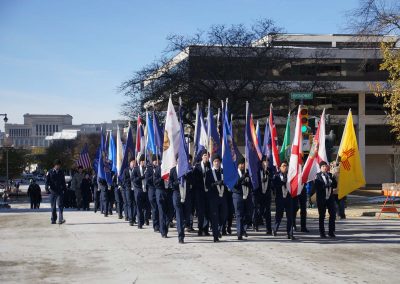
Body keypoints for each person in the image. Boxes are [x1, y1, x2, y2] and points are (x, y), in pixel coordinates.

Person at [205, 154, 228, 242]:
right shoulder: (209, 172)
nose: (216, 163)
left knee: (224, 215)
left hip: (223, 197)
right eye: (215, 161)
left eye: (218, 161)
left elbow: (228, 182)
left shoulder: (223, 171)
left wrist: (224, 184)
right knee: (214, 216)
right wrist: (214, 184)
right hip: (213, 198)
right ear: (212, 163)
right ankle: (215, 235)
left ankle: (219, 229)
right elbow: (207, 185)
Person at [314, 161, 337, 238]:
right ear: (320, 168)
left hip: (330, 198)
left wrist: (334, 179)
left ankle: (331, 232)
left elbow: (335, 185)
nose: (325, 167)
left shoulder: (330, 175)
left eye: (325, 166)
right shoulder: (317, 176)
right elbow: (318, 187)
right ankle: (322, 233)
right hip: (321, 199)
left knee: (333, 214)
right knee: (322, 216)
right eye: (323, 166)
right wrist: (327, 185)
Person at [272, 161, 295, 240]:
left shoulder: (290, 176)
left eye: (286, 166)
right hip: (280, 198)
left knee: (290, 217)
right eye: (283, 166)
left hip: (288, 198)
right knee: (279, 215)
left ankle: (290, 233)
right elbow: (274, 185)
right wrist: (282, 183)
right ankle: (275, 229)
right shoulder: (276, 176)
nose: (285, 167)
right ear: (280, 167)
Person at [232, 158, 254, 240]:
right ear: (238, 165)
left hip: (247, 195)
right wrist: (242, 179)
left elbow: (252, 185)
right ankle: (239, 233)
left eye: (243, 164)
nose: (242, 165)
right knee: (239, 215)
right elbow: (234, 184)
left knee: (249, 213)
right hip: (238, 196)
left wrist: (248, 181)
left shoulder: (247, 173)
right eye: (241, 164)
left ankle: (244, 228)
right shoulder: (234, 173)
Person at [192, 150, 211, 236]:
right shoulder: (197, 167)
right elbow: (194, 180)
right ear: (202, 157)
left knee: (207, 211)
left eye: (207, 156)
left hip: (208, 192)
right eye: (204, 155)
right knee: (200, 212)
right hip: (199, 192)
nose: (206, 157)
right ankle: (200, 229)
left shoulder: (210, 166)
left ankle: (205, 229)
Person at [168, 158, 186, 244]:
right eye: (179, 159)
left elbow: (192, 181)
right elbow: (170, 184)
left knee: (185, 216)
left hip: (186, 195)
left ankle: (183, 230)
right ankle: (180, 236)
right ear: (176, 161)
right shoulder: (173, 170)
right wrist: (177, 182)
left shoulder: (186, 169)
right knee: (179, 215)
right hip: (177, 194)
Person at [255, 156, 273, 234]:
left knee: (268, 212)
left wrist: (268, 175)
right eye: (265, 162)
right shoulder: (258, 171)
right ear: (262, 163)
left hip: (267, 194)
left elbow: (272, 179)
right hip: (259, 194)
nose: (266, 163)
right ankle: (256, 224)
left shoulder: (270, 171)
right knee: (260, 211)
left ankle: (268, 229)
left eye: (267, 162)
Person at [45, 159, 67, 224]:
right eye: (57, 165)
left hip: (60, 191)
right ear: (55, 165)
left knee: (60, 205)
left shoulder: (61, 172)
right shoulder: (50, 172)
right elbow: (47, 181)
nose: (59, 166)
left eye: (59, 165)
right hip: (52, 191)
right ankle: (53, 219)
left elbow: (63, 182)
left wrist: (65, 189)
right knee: (53, 206)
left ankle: (60, 219)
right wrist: (46, 188)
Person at [152, 155, 169, 238]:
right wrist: (162, 178)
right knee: (162, 212)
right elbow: (155, 182)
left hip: (168, 192)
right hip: (160, 191)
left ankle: (166, 227)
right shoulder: (158, 169)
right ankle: (163, 231)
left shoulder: (170, 169)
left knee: (169, 213)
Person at [145, 155, 160, 232]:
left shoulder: (160, 168)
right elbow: (147, 180)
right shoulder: (149, 169)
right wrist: (154, 176)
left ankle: (161, 224)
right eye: (155, 161)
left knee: (159, 209)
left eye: (157, 160)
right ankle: (155, 225)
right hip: (152, 191)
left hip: (159, 190)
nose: (156, 162)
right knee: (154, 209)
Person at [133, 154, 147, 229]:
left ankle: (144, 219)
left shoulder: (146, 169)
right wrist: (141, 178)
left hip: (145, 190)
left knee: (145, 207)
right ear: (140, 161)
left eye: (145, 161)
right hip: (138, 190)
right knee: (139, 207)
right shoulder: (135, 169)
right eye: (143, 161)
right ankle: (140, 223)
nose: (144, 163)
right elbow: (134, 179)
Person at [122, 157, 137, 226]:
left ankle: (133, 218)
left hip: (135, 189)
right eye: (132, 162)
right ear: (130, 163)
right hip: (128, 189)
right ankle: (130, 219)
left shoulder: (136, 170)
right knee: (129, 203)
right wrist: (131, 179)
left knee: (135, 203)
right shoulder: (126, 170)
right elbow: (124, 180)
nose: (133, 163)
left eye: (134, 162)